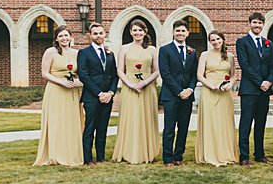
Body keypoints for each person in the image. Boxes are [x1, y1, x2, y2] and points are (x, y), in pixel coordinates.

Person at [114, 19, 160, 164]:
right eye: (135, 30)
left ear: (145, 32)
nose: (137, 33)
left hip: (147, 88)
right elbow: (120, 70)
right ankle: (129, 151)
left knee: (146, 117)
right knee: (131, 117)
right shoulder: (124, 48)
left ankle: (147, 151)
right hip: (129, 88)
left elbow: (157, 70)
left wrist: (145, 82)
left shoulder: (152, 50)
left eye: (140, 30)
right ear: (130, 32)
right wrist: (130, 84)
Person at [36, 27, 83, 167]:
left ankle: (71, 153)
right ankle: (55, 154)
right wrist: (61, 82)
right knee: (57, 122)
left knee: (71, 122)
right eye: (61, 36)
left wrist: (78, 82)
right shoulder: (50, 52)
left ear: (70, 37)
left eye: (66, 35)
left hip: (72, 91)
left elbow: (82, 73)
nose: (64, 38)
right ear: (56, 38)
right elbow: (45, 73)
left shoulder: (77, 53)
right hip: (56, 90)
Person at [234, 12, 273, 165]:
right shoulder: (242, 42)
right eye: (254, 23)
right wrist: (260, 82)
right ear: (250, 24)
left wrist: (269, 81)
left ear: (263, 25)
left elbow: (272, 65)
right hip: (249, 89)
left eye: (260, 23)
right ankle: (244, 157)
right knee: (246, 123)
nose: (257, 25)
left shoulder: (268, 44)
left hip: (264, 90)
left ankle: (259, 154)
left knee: (261, 123)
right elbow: (244, 65)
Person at [75, 23, 119, 164]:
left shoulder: (110, 54)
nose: (98, 36)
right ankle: (88, 158)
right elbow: (83, 75)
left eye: (101, 33)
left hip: (107, 97)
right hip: (91, 97)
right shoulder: (84, 53)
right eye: (95, 33)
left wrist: (111, 92)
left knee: (102, 127)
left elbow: (114, 75)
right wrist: (99, 93)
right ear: (90, 35)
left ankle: (100, 157)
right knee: (90, 127)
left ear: (105, 34)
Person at [158, 20, 198, 165]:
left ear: (187, 33)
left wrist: (190, 89)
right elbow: (165, 73)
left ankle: (178, 156)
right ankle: (167, 158)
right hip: (170, 95)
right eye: (178, 31)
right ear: (173, 32)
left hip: (187, 96)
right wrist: (179, 91)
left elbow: (194, 74)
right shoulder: (165, 50)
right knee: (169, 128)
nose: (180, 33)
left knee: (183, 128)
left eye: (183, 31)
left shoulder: (192, 52)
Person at [196, 32, 238, 168]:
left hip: (224, 93)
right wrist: (212, 86)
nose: (215, 42)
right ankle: (209, 153)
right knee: (211, 121)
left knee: (223, 122)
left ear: (223, 39)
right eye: (212, 40)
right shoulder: (204, 55)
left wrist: (229, 85)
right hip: (209, 91)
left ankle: (225, 152)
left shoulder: (230, 56)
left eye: (218, 39)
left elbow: (233, 76)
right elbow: (199, 75)